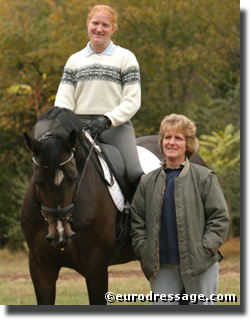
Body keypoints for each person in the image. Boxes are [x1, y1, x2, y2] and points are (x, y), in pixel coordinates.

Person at [130, 114, 229, 305]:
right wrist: (144, 250)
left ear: (188, 144)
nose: (171, 142)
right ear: (161, 142)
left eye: (178, 138)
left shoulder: (205, 178)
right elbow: (137, 221)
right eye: (167, 137)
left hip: (199, 265)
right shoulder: (147, 181)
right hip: (162, 268)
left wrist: (204, 250)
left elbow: (219, 218)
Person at [55, 4, 143, 196]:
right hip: (79, 127)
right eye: (95, 23)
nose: (99, 29)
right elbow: (64, 99)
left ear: (113, 29)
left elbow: (132, 99)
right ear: (88, 24)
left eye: (105, 25)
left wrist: (108, 119)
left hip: (115, 127)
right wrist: (67, 123)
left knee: (135, 173)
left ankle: (138, 223)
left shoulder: (125, 58)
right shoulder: (74, 60)